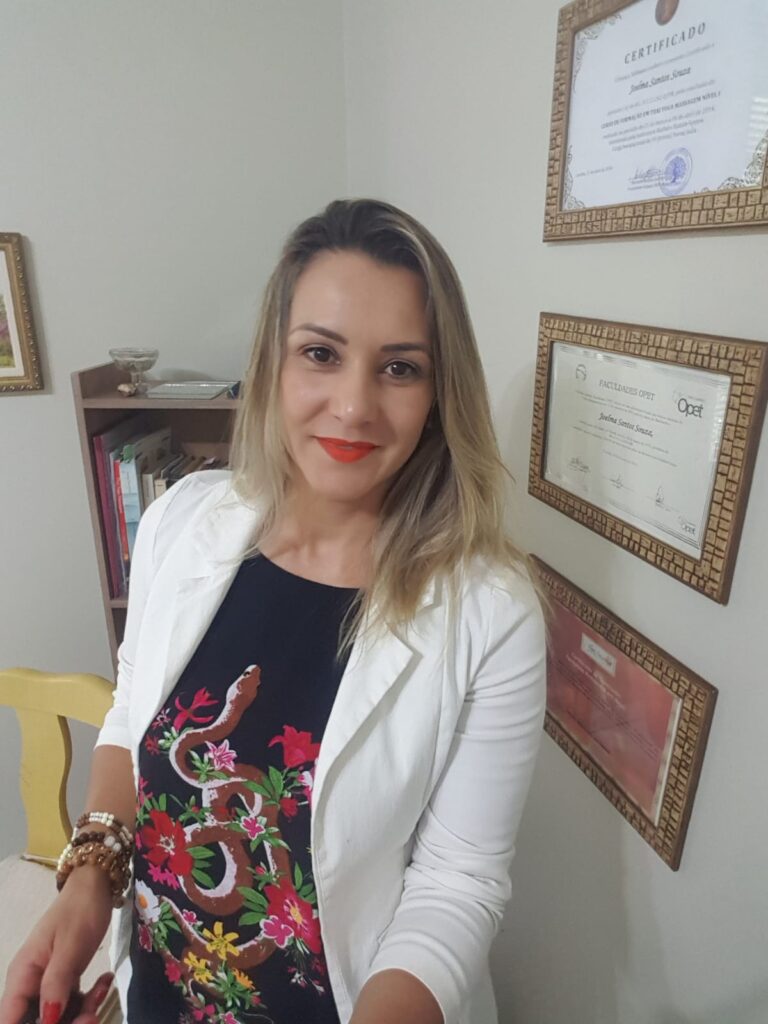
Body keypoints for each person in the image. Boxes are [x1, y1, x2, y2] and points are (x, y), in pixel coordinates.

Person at [1, 198, 546, 1024]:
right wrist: (91, 878)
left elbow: (457, 885)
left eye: (400, 368)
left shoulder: (492, 614)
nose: (354, 406)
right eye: (321, 353)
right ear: (274, 364)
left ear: (440, 392)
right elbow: (130, 711)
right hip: (156, 994)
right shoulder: (183, 520)